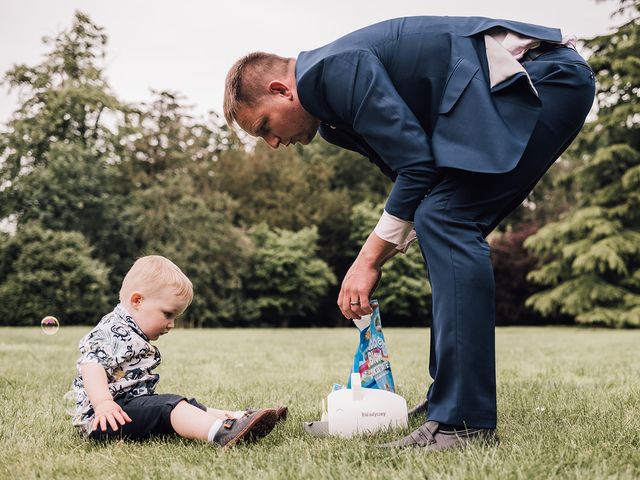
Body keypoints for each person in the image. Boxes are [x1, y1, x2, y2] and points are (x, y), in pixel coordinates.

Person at [223, 16, 595, 450]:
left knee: (447, 220)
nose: (272, 143)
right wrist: (389, 243)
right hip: (516, 91)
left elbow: (419, 168)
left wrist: (368, 260)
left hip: (544, 78)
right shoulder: (332, 120)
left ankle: (463, 422)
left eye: (265, 127)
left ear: (281, 91)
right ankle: (448, 400)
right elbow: (414, 176)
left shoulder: (333, 71)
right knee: (441, 222)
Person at [68, 255, 287, 447]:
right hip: (106, 418)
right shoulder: (111, 329)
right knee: (169, 406)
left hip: (124, 408)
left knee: (187, 405)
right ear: (137, 301)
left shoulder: (129, 328)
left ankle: (242, 418)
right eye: (168, 314)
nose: (171, 324)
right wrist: (103, 403)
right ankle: (224, 432)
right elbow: (91, 364)